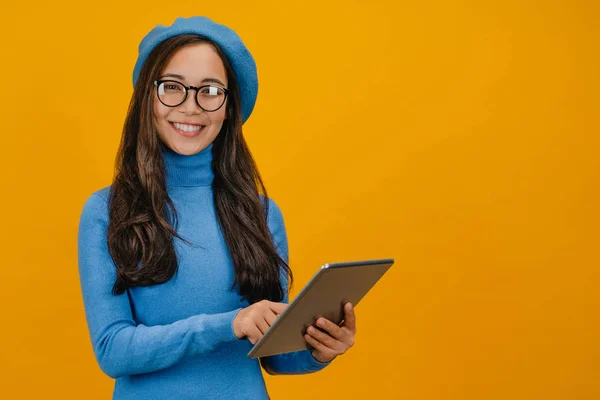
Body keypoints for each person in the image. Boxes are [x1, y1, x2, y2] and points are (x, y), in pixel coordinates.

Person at [77, 16, 357, 399]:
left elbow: (274, 354)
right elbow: (113, 350)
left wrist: (319, 348)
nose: (191, 107)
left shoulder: (260, 213)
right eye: (172, 87)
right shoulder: (107, 212)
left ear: (228, 108)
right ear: (147, 97)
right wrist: (228, 324)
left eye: (210, 90)